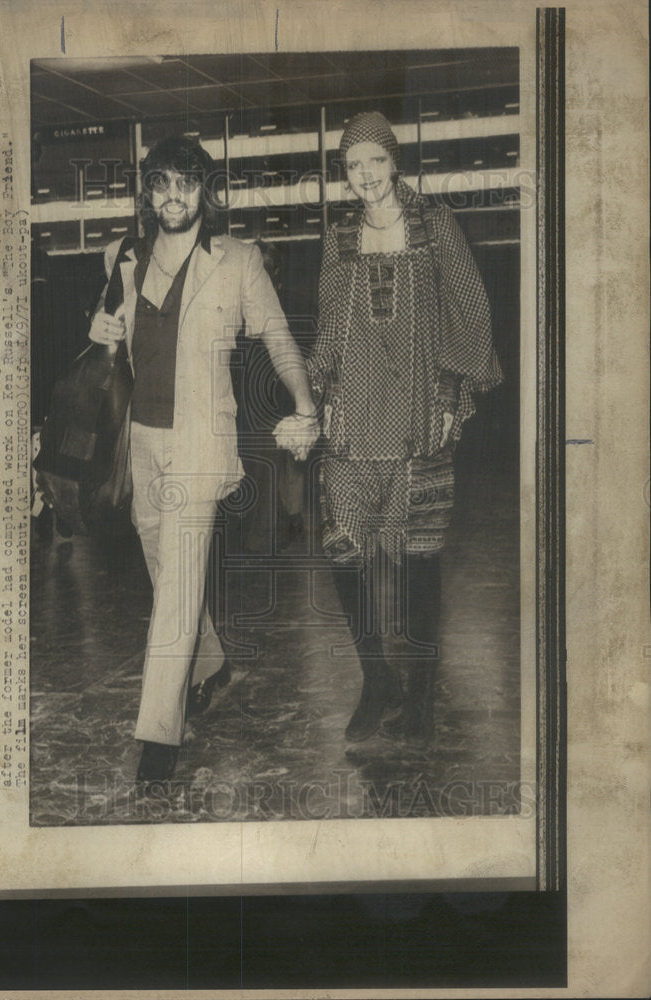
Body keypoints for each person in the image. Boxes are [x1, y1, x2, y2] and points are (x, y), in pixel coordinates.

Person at [88, 135, 319, 783]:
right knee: (166, 573)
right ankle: (212, 663)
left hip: (199, 447)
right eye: (161, 184)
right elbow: (106, 331)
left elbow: (277, 335)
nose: (173, 197)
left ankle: (158, 737)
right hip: (141, 444)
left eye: (186, 185)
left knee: (179, 585)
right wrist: (97, 328)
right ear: (147, 192)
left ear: (204, 193)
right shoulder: (123, 258)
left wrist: (304, 404)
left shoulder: (237, 261)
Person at [307, 111, 502, 747]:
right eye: (352, 164)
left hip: (419, 417)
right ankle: (377, 679)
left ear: (395, 162)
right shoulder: (339, 236)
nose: (364, 175)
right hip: (353, 423)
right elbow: (330, 325)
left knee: (419, 560)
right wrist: (323, 391)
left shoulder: (434, 223)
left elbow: (469, 307)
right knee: (344, 552)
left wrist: (452, 389)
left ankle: (419, 691)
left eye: (375, 161)